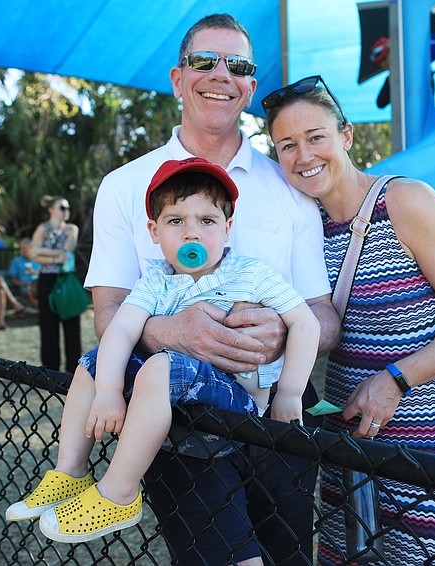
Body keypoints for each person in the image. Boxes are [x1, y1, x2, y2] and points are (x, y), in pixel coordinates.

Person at [85, 14, 340, 565]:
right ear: (178, 79)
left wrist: (282, 334)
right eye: (205, 62)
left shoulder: (292, 187)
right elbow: (106, 311)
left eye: (240, 66)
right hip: (180, 419)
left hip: (279, 415)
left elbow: (323, 315)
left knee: (291, 557)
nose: (221, 75)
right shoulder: (124, 186)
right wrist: (166, 332)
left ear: (250, 86)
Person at [7, 157, 321, 545]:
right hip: (180, 396)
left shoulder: (251, 273)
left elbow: (306, 323)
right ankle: (70, 471)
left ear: (228, 228)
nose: (192, 234)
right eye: (176, 222)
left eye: (206, 221)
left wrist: (289, 393)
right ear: (154, 231)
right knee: (92, 361)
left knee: (160, 365)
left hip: (237, 398)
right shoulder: (156, 278)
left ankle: (119, 493)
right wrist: (106, 389)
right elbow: (121, 328)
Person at [263, 75, 435, 565]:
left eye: (316, 138)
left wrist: (396, 380)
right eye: (287, 145)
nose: (304, 156)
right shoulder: (299, 221)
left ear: (346, 136)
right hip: (348, 446)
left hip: (432, 444)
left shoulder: (406, 202)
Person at [28, 196, 81, 372]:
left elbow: (67, 250)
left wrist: (43, 253)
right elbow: (32, 255)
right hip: (47, 280)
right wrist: (54, 256)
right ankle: (50, 370)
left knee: (72, 326)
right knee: (48, 326)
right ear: (51, 209)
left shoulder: (72, 228)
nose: (66, 211)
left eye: (68, 208)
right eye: (62, 207)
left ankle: (73, 370)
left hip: (66, 278)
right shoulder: (42, 228)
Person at [7, 237, 40, 308]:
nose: (23, 250)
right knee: (30, 290)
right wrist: (25, 283)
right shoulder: (16, 261)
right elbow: (13, 280)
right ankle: (41, 310)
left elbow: (45, 275)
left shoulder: (38, 259)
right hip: (25, 286)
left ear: (31, 247)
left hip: (38, 284)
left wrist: (35, 272)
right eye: (21, 248)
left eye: (25, 248)